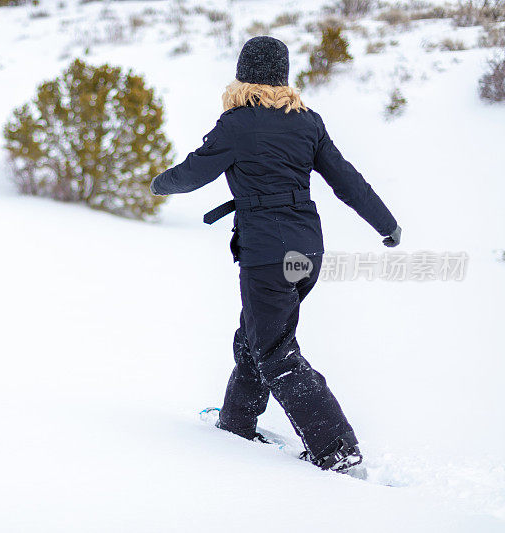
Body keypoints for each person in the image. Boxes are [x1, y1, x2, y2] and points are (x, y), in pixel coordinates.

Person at [150, 36, 402, 473]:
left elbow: (191, 174)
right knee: (256, 336)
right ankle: (236, 423)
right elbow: (348, 181)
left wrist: (158, 183)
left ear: (244, 74)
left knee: (276, 351)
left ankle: (336, 448)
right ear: (282, 76)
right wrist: (387, 225)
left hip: (266, 257)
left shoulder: (236, 124)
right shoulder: (308, 122)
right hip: (307, 255)